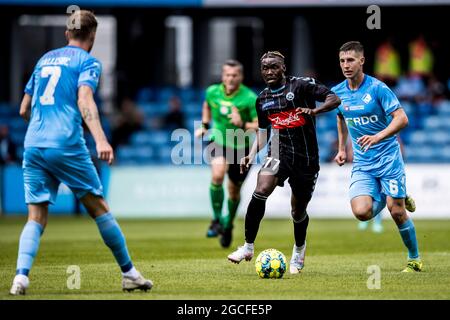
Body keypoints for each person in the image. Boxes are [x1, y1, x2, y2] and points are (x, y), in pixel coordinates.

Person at [9, 10, 152, 295]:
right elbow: (85, 99)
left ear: (67, 34)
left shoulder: (43, 60)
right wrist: (101, 139)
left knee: (35, 217)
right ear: (93, 36)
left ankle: (20, 278)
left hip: (34, 143)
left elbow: (24, 109)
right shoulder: (88, 62)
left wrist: (43, 127)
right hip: (66, 144)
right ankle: (129, 274)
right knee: (100, 209)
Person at [227, 51, 341, 274]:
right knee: (261, 189)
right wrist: (251, 154)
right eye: (265, 68)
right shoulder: (262, 99)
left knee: (297, 211)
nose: (269, 71)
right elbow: (262, 133)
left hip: (307, 159)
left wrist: (315, 110)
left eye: (274, 67)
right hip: (278, 152)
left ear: (283, 68)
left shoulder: (301, 86)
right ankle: (248, 247)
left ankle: (299, 249)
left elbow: (334, 99)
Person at [332, 41, 421, 272]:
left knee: (397, 212)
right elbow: (341, 117)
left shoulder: (378, 88)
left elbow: (402, 119)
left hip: (388, 159)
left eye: (350, 60)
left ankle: (414, 259)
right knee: (362, 213)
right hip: (363, 163)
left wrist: (377, 137)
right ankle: (395, 195)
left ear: (362, 61)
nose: (346, 65)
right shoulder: (338, 92)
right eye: (342, 61)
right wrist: (342, 148)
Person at [195, 59, 258, 248]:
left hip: (242, 148)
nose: (230, 79)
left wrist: (242, 124)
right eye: (227, 75)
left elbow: (259, 126)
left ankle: (228, 224)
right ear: (223, 76)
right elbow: (207, 105)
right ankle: (216, 220)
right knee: (217, 174)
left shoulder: (249, 98)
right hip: (219, 141)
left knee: (233, 191)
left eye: (234, 75)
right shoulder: (212, 91)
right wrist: (205, 125)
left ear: (241, 76)